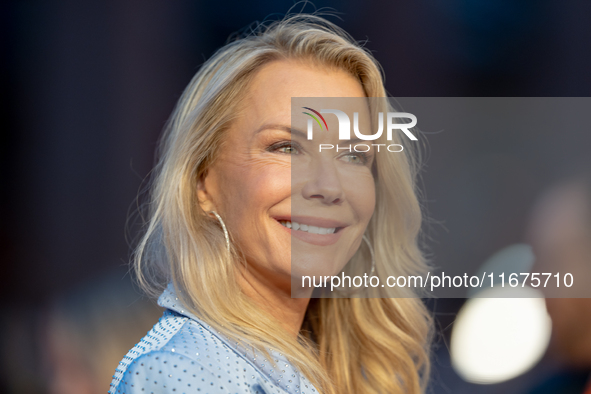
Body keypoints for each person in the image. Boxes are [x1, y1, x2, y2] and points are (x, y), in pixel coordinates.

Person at [109, 14, 432, 394]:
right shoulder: (184, 373)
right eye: (286, 147)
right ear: (202, 183)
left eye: (354, 155)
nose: (328, 188)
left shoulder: (344, 371)